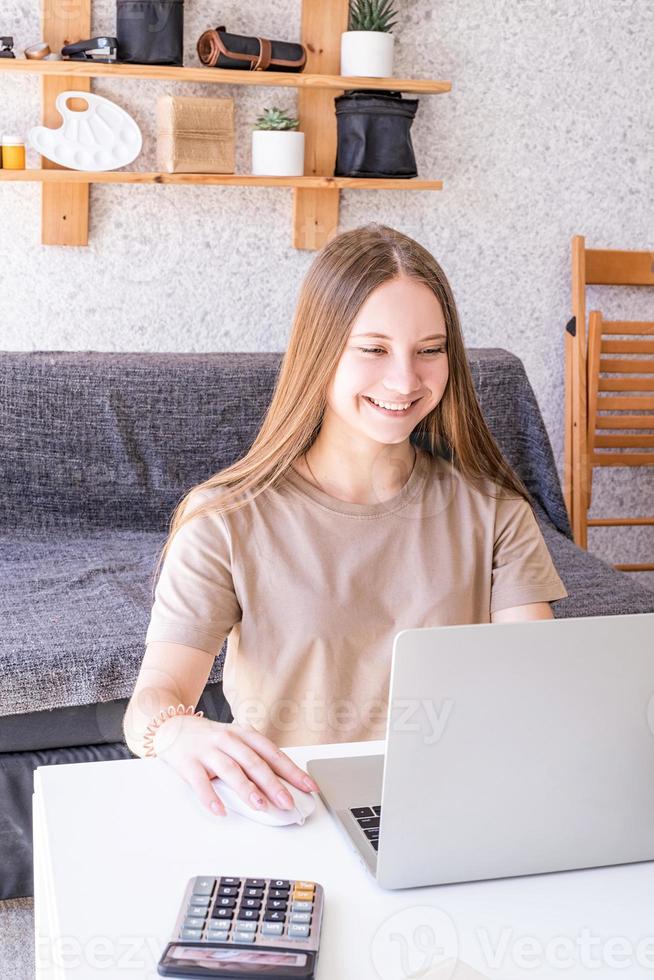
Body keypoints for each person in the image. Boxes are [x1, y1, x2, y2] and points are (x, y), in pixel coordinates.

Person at [123, 223, 567, 821]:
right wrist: (178, 735)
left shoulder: (496, 513)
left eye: (430, 350)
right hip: (289, 813)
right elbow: (154, 701)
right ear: (322, 350)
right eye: (374, 348)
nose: (405, 380)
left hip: (447, 810)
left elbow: (539, 687)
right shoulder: (225, 519)